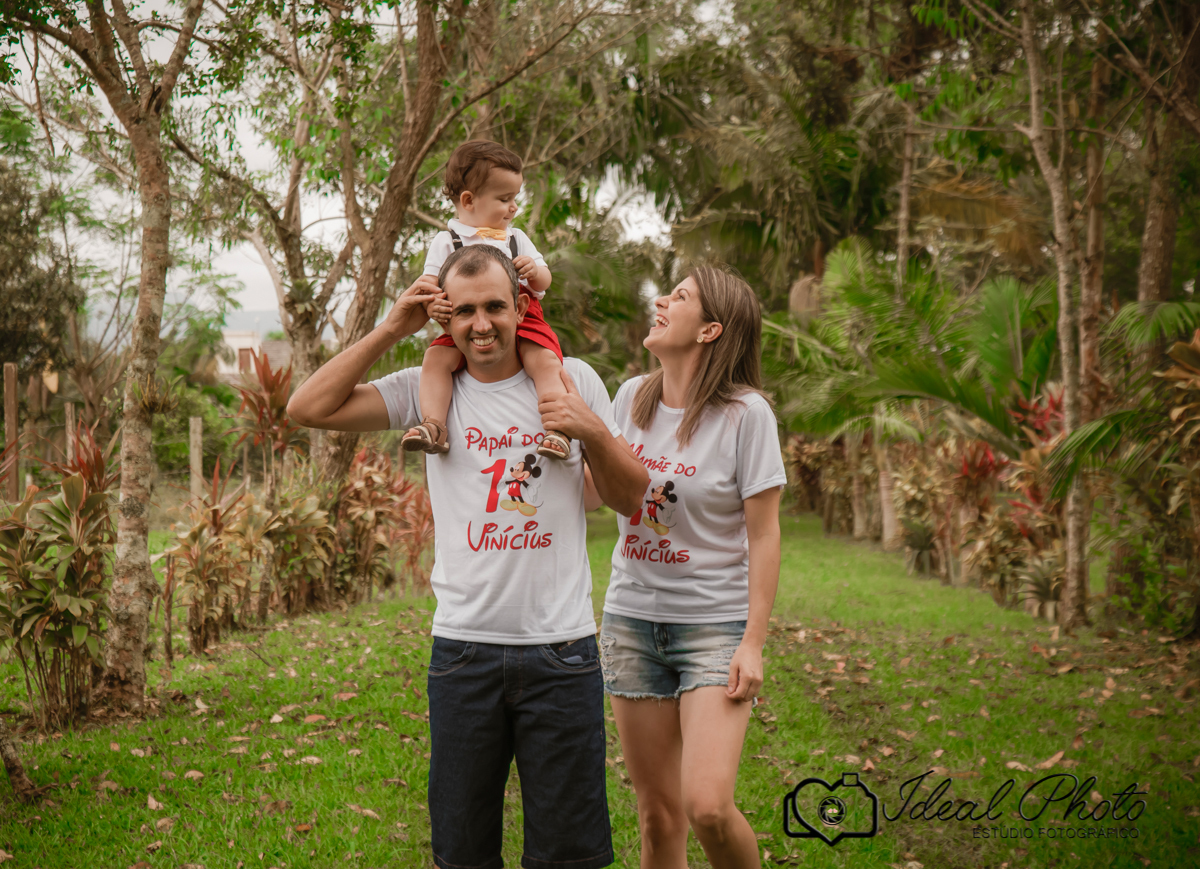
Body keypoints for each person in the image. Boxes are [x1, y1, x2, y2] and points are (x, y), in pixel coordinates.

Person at [287, 243, 648, 869]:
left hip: (561, 652)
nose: (482, 325)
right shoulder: (428, 391)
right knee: (462, 852)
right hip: (462, 654)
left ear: (520, 307)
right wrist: (393, 327)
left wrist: (588, 427)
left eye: (496, 308)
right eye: (466, 311)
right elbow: (306, 408)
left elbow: (628, 498)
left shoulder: (571, 378)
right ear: (445, 320)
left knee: (570, 854)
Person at [598, 266, 785, 869]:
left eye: (679, 296)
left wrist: (753, 642)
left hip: (713, 626)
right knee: (658, 817)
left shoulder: (746, 414)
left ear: (710, 330)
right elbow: (604, 492)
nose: (660, 300)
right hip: (631, 621)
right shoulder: (632, 398)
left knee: (706, 805)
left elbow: (764, 532)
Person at [402, 140, 573, 460]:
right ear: (468, 200)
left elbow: (545, 280)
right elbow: (429, 286)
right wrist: (434, 305)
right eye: (505, 199)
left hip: (524, 316)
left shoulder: (516, 238)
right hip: (461, 322)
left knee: (545, 361)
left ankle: (557, 429)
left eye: (514, 199)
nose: (513, 208)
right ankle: (434, 425)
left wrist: (533, 271)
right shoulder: (445, 242)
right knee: (435, 361)